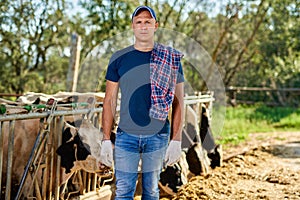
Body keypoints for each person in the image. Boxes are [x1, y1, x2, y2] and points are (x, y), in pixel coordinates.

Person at [100, 5, 185, 200]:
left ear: (156, 25)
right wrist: (106, 138)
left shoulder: (171, 59)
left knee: (151, 191)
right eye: (139, 22)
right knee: (123, 191)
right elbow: (109, 100)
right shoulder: (119, 58)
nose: (143, 26)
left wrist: (176, 139)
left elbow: (179, 101)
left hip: (158, 136)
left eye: (148, 22)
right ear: (133, 26)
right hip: (125, 136)